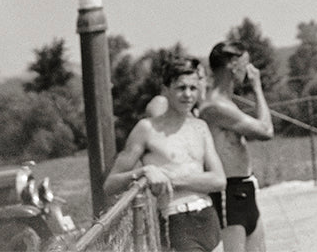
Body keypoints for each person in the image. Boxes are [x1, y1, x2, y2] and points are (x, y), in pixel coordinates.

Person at [104, 56, 226, 252]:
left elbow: (219, 180)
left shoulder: (200, 127)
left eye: (193, 88)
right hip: (177, 223)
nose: (188, 95)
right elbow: (110, 184)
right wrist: (144, 172)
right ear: (166, 89)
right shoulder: (147, 129)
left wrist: (172, 179)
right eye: (181, 88)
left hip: (209, 219)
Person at [199, 42, 273, 252]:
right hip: (229, 192)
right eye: (246, 63)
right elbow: (266, 131)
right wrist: (257, 87)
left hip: (245, 188)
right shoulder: (216, 106)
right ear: (232, 64)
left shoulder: (227, 103)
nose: (250, 71)